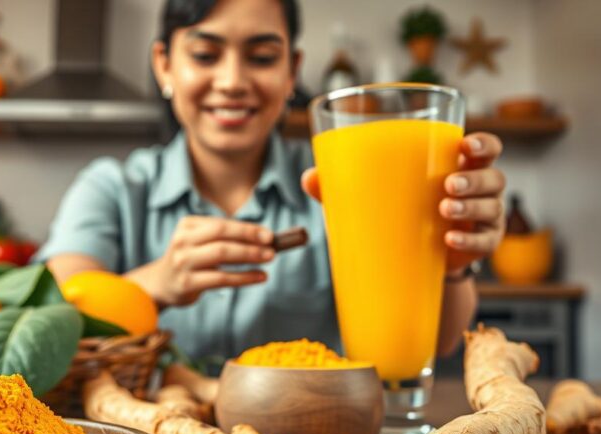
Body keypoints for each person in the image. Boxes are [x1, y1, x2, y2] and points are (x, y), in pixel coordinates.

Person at [39, 0, 506, 364]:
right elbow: (47, 324)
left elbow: (438, 344)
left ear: (292, 73)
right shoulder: (111, 188)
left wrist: (448, 267)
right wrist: (154, 284)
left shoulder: (343, 181)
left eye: (261, 57)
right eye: (205, 54)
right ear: (164, 65)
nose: (232, 81)